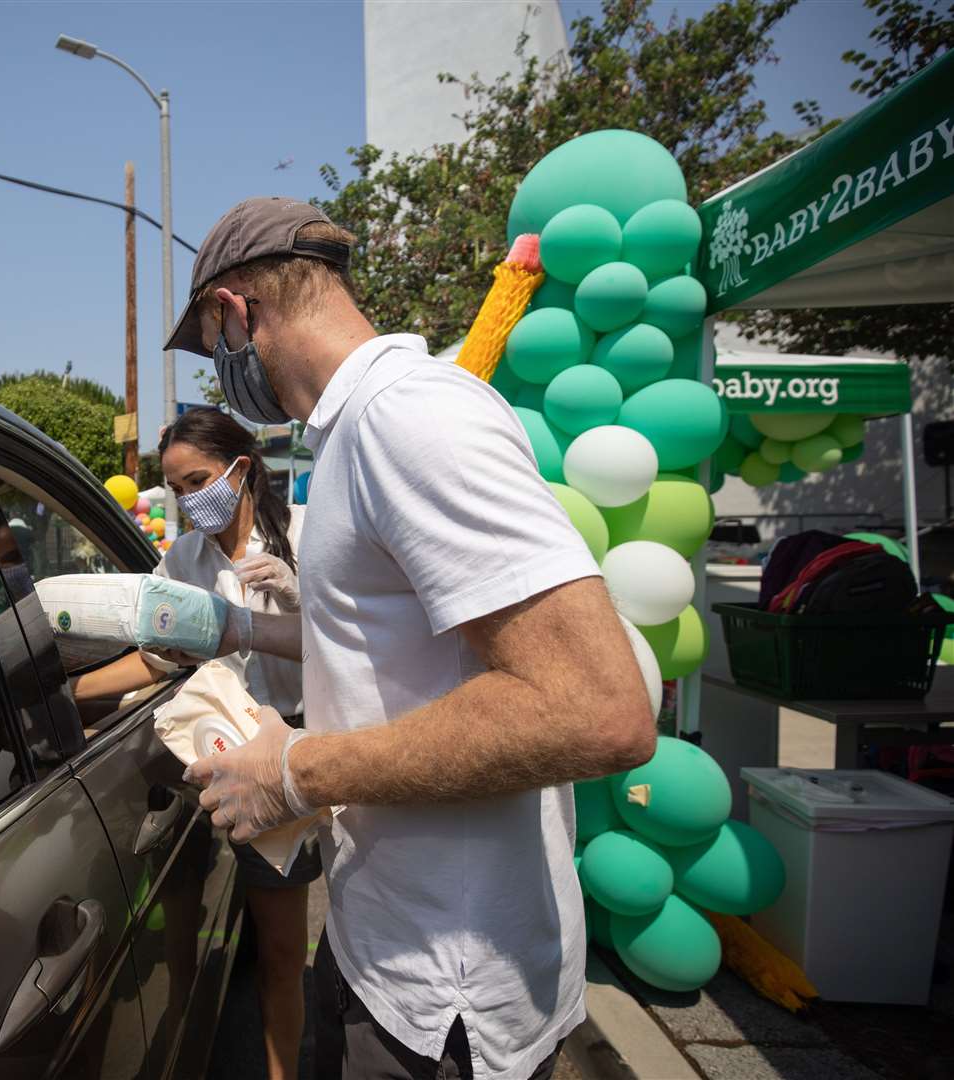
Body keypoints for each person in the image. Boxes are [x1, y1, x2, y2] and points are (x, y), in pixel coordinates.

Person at [171, 198, 657, 1080]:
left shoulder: (409, 417)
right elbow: (390, 642)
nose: (222, 377)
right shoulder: (359, 430)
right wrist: (243, 628)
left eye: (214, 348)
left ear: (236, 310)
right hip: (383, 949)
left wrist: (293, 772)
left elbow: (597, 710)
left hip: (447, 1001)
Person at [73, 407, 317, 1080]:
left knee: (279, 949)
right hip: (203, 755)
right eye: (176, 488)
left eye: (198, 480)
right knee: (183, 919)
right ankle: (183, 1021)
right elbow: (158, 659)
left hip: (284, 756)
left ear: (241, 470)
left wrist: (303, 600)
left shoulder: (307, 535)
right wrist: (70, 691)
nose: (188, 501)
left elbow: (361, 651)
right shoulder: (181, 557)